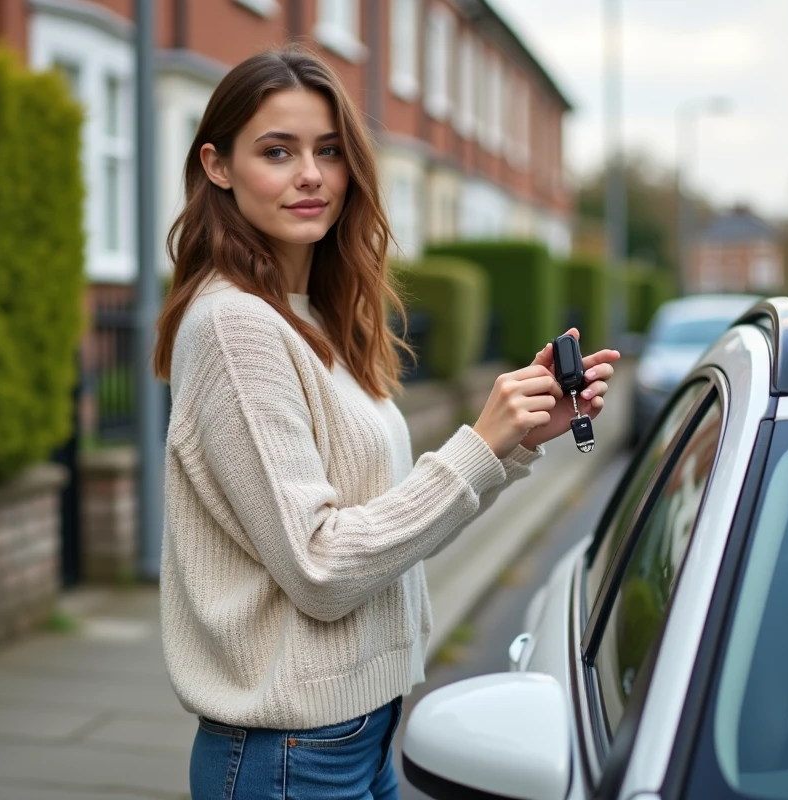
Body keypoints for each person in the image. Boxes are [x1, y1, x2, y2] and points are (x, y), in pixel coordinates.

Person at [152, 45, 620, 799]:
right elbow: (323, 567)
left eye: (329, 151)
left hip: (361, 734)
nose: (311, 174)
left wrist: (511, 447)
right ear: (218, 166)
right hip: (290, 755)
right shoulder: (236, 328)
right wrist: (476, 444)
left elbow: (382, 526)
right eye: (278, 151)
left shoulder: (317, 317)